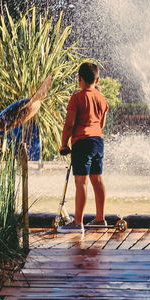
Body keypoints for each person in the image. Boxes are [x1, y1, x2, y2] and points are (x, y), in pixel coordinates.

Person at [59, 61, 109, 232]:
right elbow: (101, 124)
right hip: (97, 141)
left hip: (81, 141)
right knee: (97, 179)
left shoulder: (77, 98)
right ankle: (100, 219)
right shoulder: (101, 98)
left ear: (79, 79)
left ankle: (77, 222)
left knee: (81, 180)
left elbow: (69, 125)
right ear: (97, 79)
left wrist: (63, 144)